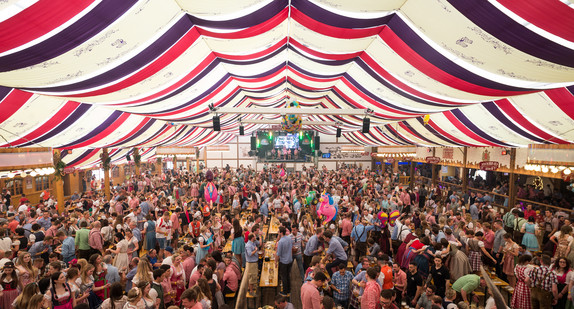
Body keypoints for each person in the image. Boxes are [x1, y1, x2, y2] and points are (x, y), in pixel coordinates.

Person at [275, 226, 293, 296]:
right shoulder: (289, 238)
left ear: (281, 233)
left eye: (278, 231)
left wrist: (276, 262)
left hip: (284, 261)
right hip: (290, 260)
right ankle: (289, 290)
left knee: (284, 277)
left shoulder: (281, 242)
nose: (277, 232)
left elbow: (278, 254)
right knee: (288, 275)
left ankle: (285, 292)